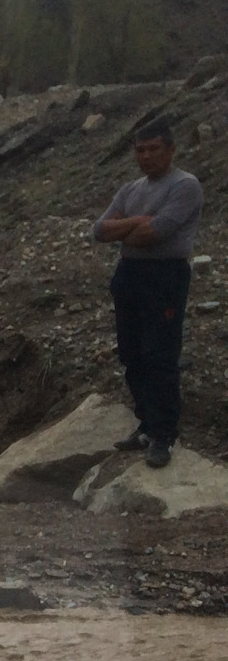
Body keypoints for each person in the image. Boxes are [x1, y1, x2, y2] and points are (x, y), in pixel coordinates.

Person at [92, 119, 204, 469]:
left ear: (171, 150)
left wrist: (126, 228)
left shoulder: (185, 186)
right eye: (141, 150)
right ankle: (145, 424)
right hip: (129, 275)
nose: (147, 156)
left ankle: (163, 434)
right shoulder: (130, 189)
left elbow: (154, 234)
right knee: (132, 354)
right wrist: (137, 223)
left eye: (154, 149)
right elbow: (99, 230)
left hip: (164, 277)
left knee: (160, 356)